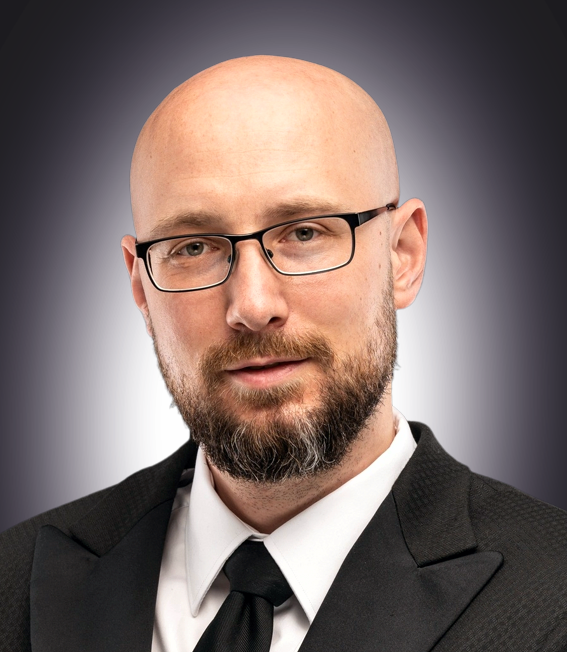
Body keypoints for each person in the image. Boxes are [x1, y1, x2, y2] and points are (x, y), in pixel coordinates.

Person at [1, 55, 566, 652]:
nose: (252, 305)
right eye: (193, 246)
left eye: (304, 232)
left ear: (402, 255)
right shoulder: (14, 578)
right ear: (141, 288)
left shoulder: (552, 596)